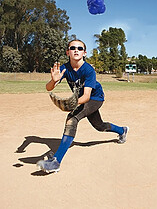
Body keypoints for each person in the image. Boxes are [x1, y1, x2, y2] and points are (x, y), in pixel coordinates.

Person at [37, 39, 129, 173]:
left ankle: (55, 162)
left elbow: (86, 96)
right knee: (99, 126)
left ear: (84, 53)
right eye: (73, 48)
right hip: (82, 99)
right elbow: (48, 88)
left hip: (95, 98)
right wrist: (53, 80)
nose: (76, 50)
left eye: (80, 48)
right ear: (68, 52)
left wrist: (72, 104)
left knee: (72, 119)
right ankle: (122, 130)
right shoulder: (64, 68)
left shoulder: (88, 70)